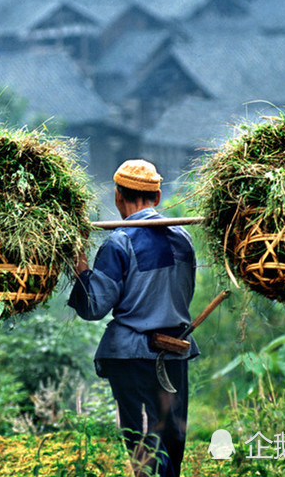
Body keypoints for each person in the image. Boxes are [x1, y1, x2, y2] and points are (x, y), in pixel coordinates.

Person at [68, 159, 197, 477]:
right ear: (156, 198)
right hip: (174, 352)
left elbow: (94, 306)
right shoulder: (184, 239)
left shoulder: (119, 243)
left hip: (133, 356)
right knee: (171, 438)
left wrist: (81, 266)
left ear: (117, 196)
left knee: (143, 439)